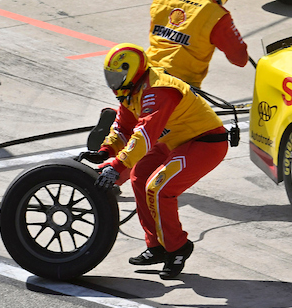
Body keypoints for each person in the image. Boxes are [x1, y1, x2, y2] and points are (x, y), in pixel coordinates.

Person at [89, 43, 230, 280]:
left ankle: (178, 248)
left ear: (131, 70)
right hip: (177, 142)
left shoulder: (158, 89)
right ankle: (156, 246)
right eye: (109, 76)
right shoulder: (131, 89)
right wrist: (105, 152)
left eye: (116, 76)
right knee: (139, 176)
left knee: (159, 187)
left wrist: (117, 166)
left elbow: (143, 136)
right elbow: (123, 128)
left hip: (205, 143)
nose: (112, 82)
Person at [146, 0, 250, 89]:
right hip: (179, 88)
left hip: (145, 75)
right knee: (206, 112)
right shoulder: (217, 15)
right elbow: (240, 59)